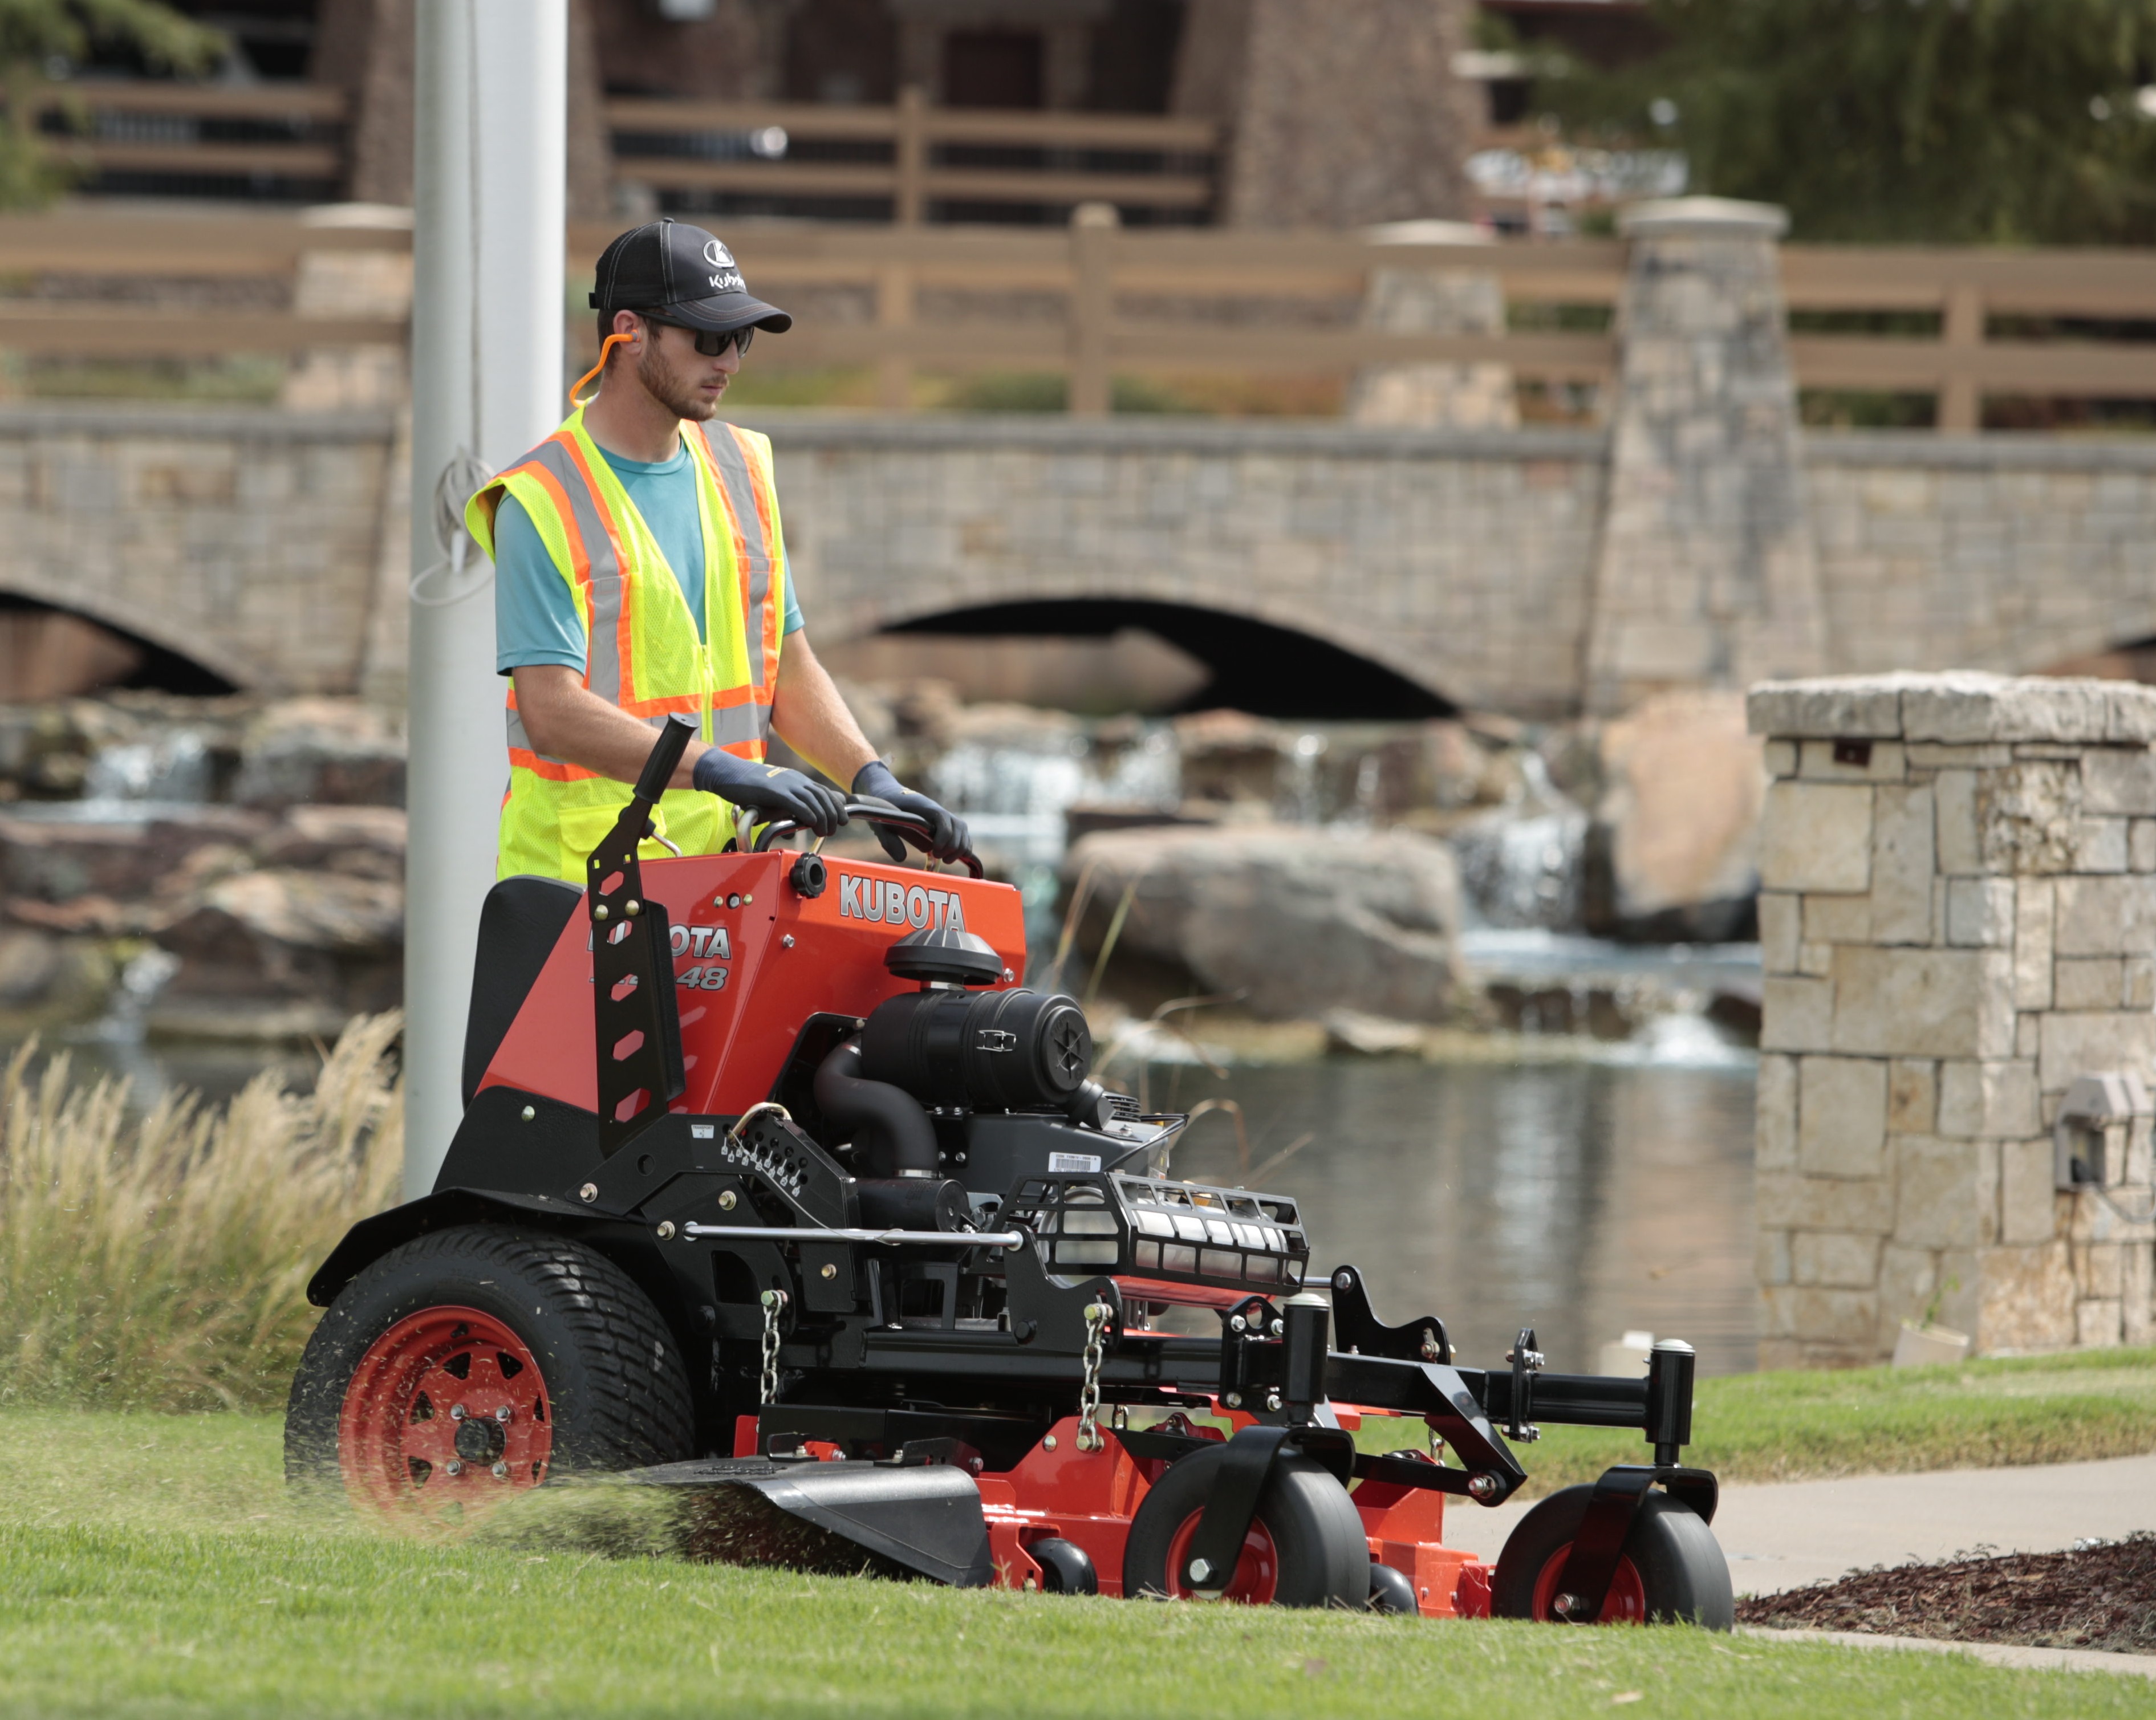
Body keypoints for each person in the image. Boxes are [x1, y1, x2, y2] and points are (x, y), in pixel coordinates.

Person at [463, 217, 967, 882]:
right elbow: (551, 710)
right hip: (576, 891)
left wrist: (873, 777)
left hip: (715, 884)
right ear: (629, 331)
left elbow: (786, 663)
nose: (728, 361)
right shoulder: (538, 500)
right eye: (709, 337)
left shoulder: (743, 467)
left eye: (741, 338)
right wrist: (720, 768)